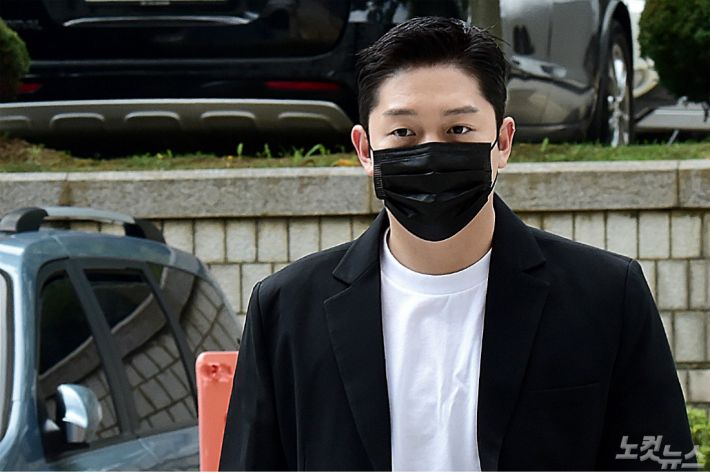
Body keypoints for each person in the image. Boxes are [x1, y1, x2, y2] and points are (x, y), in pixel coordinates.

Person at [219, 16, 696, 471]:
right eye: (403, 133)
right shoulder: (286, 309)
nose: (431, 151)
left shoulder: (606, 296)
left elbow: (658, 459)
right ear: (365, 149)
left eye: (459, 130)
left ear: (503, 142)